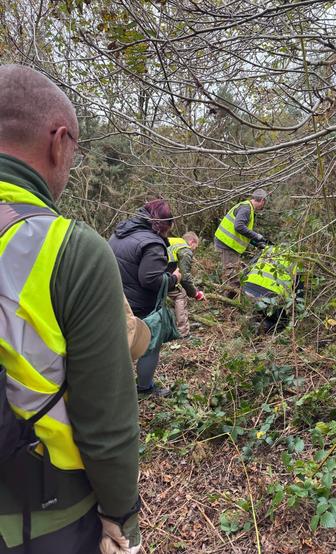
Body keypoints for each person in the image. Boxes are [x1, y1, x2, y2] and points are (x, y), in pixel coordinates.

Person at [0, 65, 141, 553]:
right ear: (59, 141)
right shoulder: (69, 250)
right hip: (42, 518)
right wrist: (121, 518)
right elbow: (106, 423)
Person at [109, 200, 181, 397]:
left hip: (112, 296)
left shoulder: (121, 232)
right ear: (164, 224)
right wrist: (174, 278)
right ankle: (145, 387)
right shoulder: (152, 243)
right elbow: (150, 279)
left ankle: (111, 387)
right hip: (138, 304)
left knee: (116, 345)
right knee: (150, 341)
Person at [214, 189, 268, 293]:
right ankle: (227, 304)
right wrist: (256, 236)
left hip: (229, 245)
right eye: (264, 203)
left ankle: (227, 301)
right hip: (227, 246)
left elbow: (243, 232)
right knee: (232, 278)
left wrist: (257, 243)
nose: (263, 206)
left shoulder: (247, 207)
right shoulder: (246, 209)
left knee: (233, 274)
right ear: (262, 200)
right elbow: (239, 226)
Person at [242, 245, 303, 333]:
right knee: (283, 323)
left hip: (246, 291)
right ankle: (261, 326)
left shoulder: (268, 249)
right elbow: (298, 292)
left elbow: (248, 268)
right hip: (270, 300)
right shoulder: (297, 261)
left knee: (255, 310)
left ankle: (249, 318)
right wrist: (299, 312)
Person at [167, 232, 205, 337]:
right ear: (192, 242)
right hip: (161, 274)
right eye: (195, 247)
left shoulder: (175, 242)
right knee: (180, 295)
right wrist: (195, 294)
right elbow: (185, 278)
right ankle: (183, 332)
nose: (193, 250)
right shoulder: (185, 249)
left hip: (149, 272)